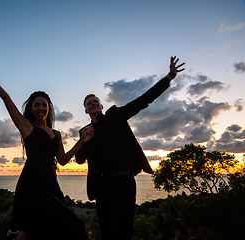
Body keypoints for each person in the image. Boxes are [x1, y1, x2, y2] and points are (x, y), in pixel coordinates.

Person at [0, 65, 93, 240]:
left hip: (50, 185)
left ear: (49, 108)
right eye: (37, 105)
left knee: (58, 229)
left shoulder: (57, 133)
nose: (41, 108)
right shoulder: (27, 127)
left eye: (45, 105)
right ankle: (22, 233)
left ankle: (21, 235)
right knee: (75, 226)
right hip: (31, 185)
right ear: (31, 108)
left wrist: (82, 141)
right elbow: (6, 99)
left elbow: (63, 160)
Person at [75, 56, 185, 240]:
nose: (93, 104)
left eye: (95, 102)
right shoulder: (85, 131)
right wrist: (84, 140)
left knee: (123, 232)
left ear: (101, 106)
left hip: (124, 182)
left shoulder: (115, 115)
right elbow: (79, 160)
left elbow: (143, 101)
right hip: (101, 187)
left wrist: (169, 77)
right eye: (89, 104)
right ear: (86, 110)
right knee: (107, 233)